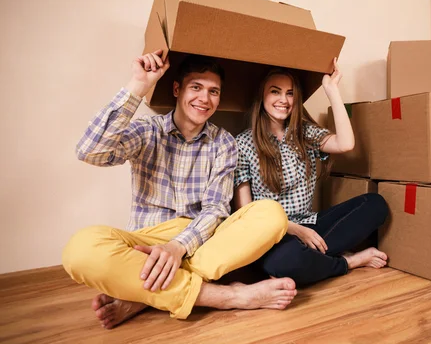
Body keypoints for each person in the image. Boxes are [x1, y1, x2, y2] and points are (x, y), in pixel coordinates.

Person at [62, 50, 296, 329]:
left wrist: (177, 247)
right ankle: (226, 296)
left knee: (271, 213)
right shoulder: (148, 130)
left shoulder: (223, 143)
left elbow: (215, 209)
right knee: (80, 250)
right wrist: (139, 84)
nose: (204, 99)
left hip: (201, 242)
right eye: (196, 87)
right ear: (177, 89)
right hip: (147, 241)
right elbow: (90, 152)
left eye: (213, 91)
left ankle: (142, 297)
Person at [233, 58, 389, 286]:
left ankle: (312, 260)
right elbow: (246, 214)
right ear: (262, 96)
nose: (284, 100)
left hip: (310, 224)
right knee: (285, 261)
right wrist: (294, 230)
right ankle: (348, 263)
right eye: (275, 92)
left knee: (376, 205)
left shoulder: (304, 133)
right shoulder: (243, 144)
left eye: (290, 93)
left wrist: (332, 90)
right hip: (271, 236)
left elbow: (345, 144)